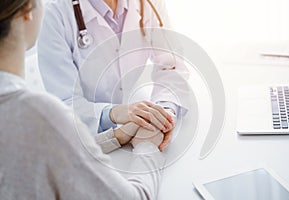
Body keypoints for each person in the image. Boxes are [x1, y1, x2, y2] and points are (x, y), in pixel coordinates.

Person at [0, 0, 165, 199]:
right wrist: (147, 146)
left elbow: (59, 151)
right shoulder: (39, 114)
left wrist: (118, 135)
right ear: (28, 11)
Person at [38, 0, 190, 152]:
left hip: (131, 124)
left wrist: (164, 113)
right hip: (82, 137)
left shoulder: (148, 3)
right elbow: (64, 103)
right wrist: (113, 114)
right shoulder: (54, 15)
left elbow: (172, 66)